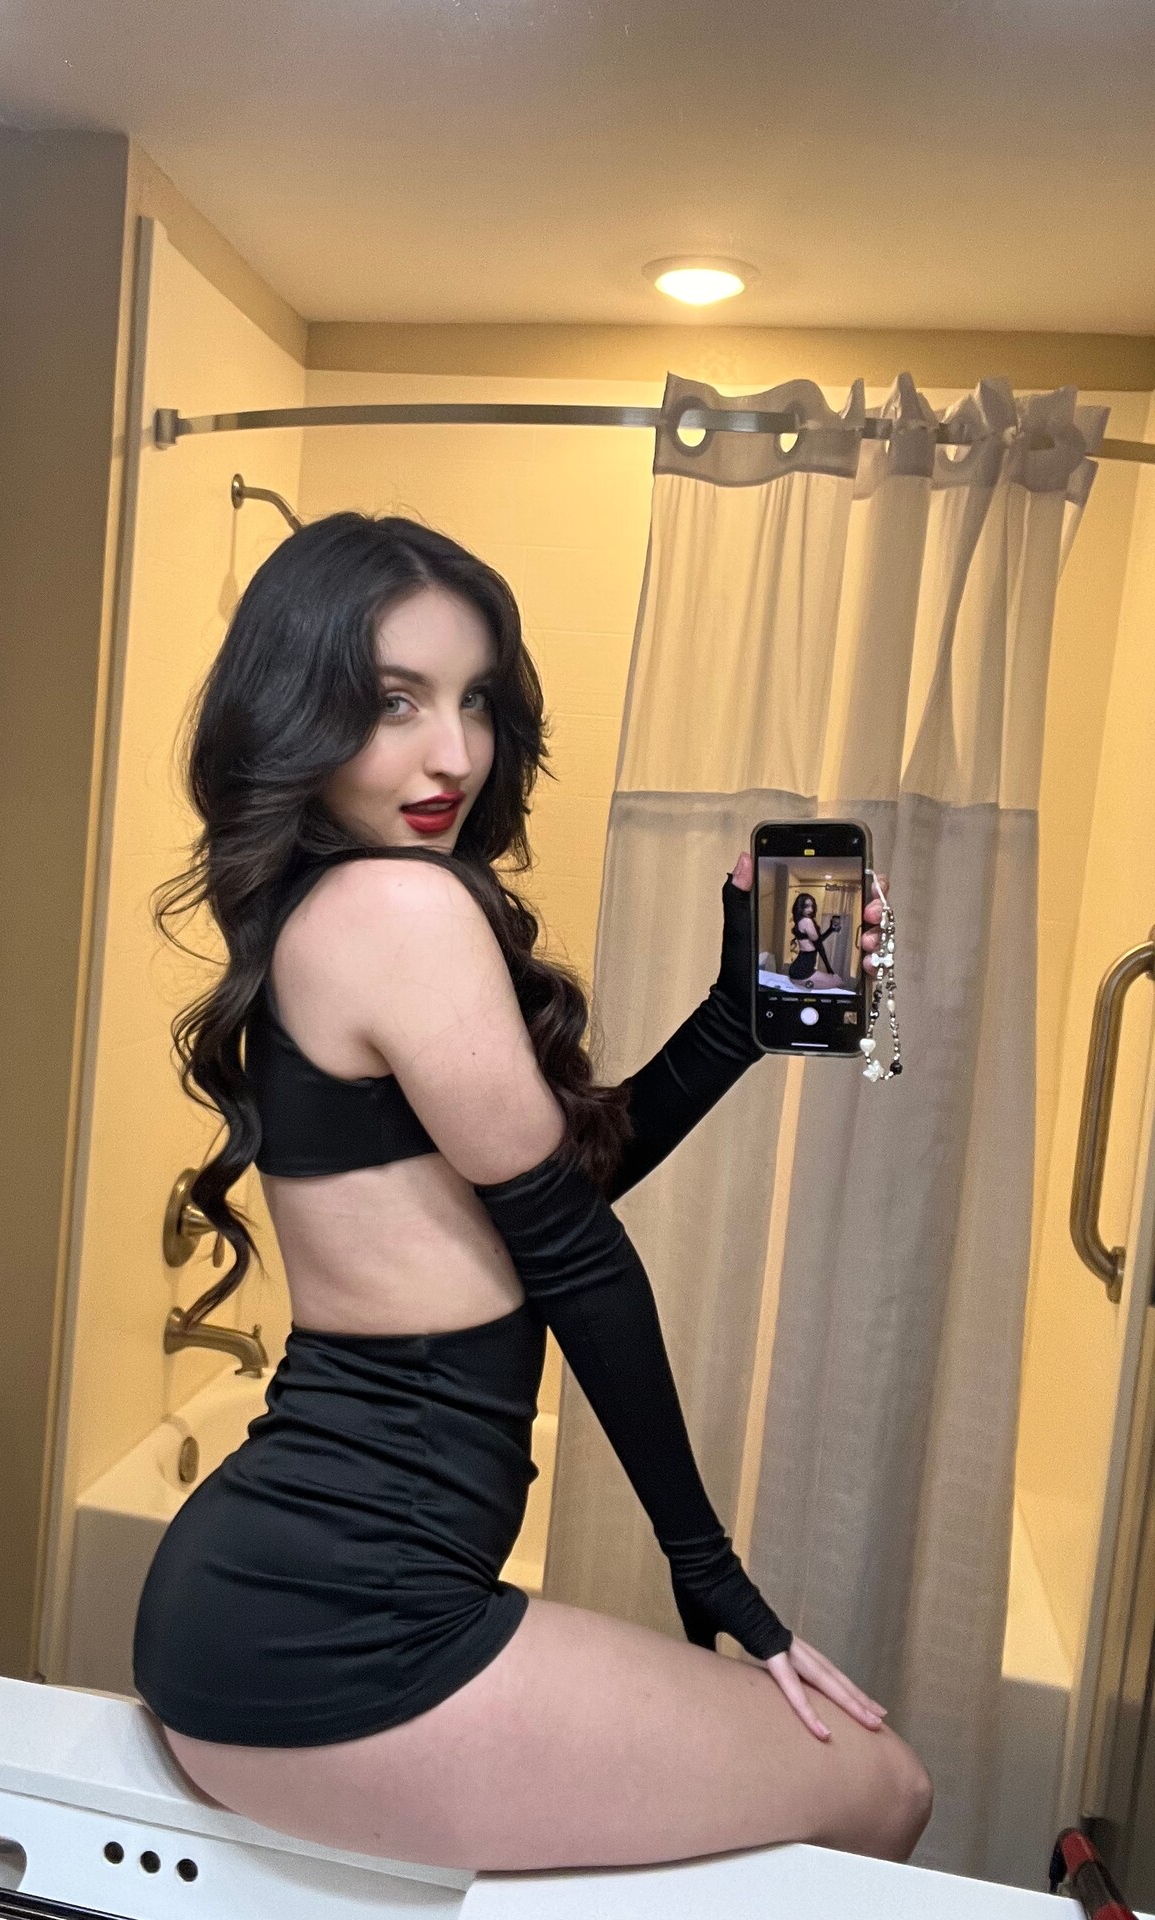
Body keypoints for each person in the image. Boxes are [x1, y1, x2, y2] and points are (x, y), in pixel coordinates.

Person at [132, 512, 932, 1871]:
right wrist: (707, 1564)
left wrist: (739, 1017)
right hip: (343, 1621)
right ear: (301, 707)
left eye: (478, 702)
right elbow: (575, 1256)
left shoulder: (328, 909)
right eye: (395, 702)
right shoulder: (400, 908)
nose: (454, 754)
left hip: (285, 1594)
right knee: (884, 1789)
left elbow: (552, 1198)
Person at [789, 891, 848, 990]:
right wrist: (829, 969)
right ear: (800, 907)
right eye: (807, 906)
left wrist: (830, 930)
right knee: (838, 981)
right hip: (803, 971)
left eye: (812, 906)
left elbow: (817, 941)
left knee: (836, 982)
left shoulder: (800, 921)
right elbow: (819, 946)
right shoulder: (807, 921)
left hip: (800, 969)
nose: (811, 910)